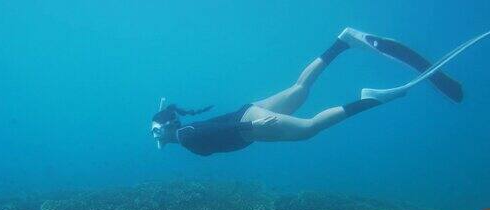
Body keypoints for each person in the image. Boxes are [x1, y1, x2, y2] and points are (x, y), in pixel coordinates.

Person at [151, 27, 465, 156]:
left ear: (167, 126)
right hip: (246, 112)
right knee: (300, 89)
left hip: (248, 125)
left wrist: (251, 127)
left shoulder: (183, 136)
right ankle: (343, 42)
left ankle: (371, 99)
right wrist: (247, 122)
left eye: (155, 131)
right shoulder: (183, 133)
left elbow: (215, 130)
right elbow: (212, 127)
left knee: (309, 129)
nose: (156, 137)